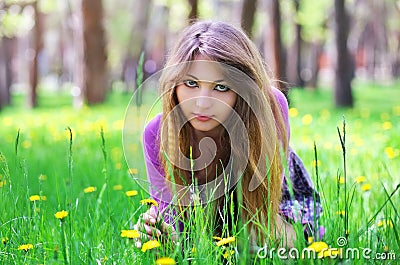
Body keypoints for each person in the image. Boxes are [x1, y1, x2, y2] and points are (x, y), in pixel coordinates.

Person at [134, 20, 323, 250]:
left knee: (260, 243)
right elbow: (173, 216)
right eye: (191, 83)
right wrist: (165, 232)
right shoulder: (156, 133)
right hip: (202, 214)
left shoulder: (270, 107)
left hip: (272, 205)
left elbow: (265, 203)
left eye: (221, 87)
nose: (202, 104)